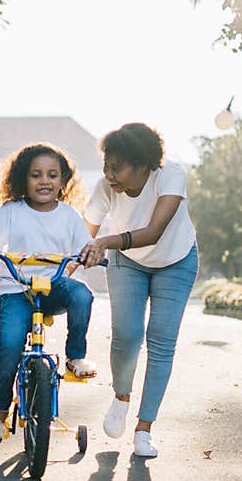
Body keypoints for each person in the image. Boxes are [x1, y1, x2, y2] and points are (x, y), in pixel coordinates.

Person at [0, 143, 96, 445]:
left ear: (63, 181)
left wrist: (91, 254)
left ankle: (75, 357)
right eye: (36, 175)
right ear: (23, 179)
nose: (44, 181)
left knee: (82, 295)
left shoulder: (70, 216)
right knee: (10, 344)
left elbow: (86, 246)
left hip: (52, 287)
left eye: (52, 175)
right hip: (16, 288)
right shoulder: (12, 211)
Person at [80, 122, 199, 458]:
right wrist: (66, 262)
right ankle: (121, 396)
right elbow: (82, 234)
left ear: (144, 165)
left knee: (161, 340)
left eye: (116, 167)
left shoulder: (170, 176)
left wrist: (104, 241)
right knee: (127, 335)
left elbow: (154, 232)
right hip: (128, 263)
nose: (108, 174)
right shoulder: (106, 187)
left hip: (175, 260)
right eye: (106, 165)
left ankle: (144, 429)